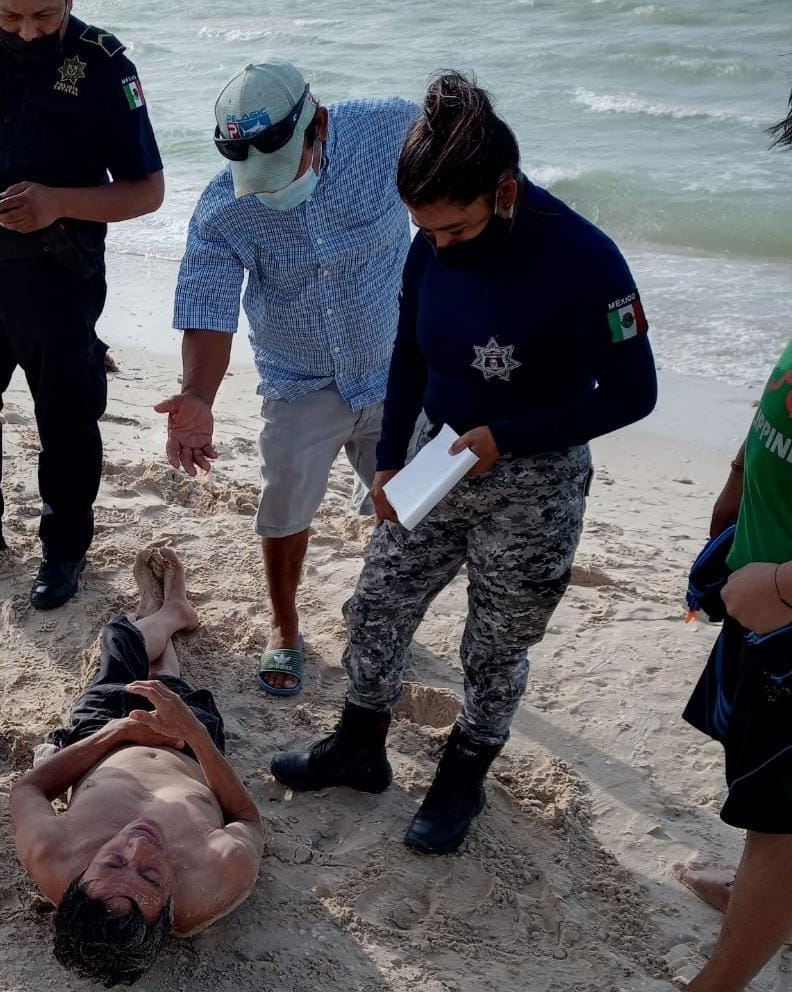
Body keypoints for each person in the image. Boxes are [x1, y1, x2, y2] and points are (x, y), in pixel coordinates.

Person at [270, 72, 658, 855]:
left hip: (533, 480)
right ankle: (359, 746)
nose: (438, 244)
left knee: (495, 643)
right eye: (427, 230)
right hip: (433, 458)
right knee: (375, 606)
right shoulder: (429, 245)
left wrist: (505, 439)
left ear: (504, 192)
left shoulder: (586, 259)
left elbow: (633, 393)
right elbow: (410, 354)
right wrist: (386, 461)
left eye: (455, 229)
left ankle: (464, 775)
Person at [158, 59, 418, 696]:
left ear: (318, 125)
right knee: (284, 504)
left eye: (285, 169)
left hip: (398, 366)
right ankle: (284, 624)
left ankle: (380, 610)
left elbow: (471, 160)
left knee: (409, 503)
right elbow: (208, 308)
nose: (271, 190)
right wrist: (197, 395)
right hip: (299, 382)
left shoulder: (391, 131)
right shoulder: (225, 208)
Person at [0, 0, 165, 612]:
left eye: (44, 15)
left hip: (57, 276)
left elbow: (148, 191)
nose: (29, 31)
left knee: (66, 419)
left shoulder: (102, 64)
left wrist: (57, 202)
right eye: (11, 17)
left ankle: (64, 550)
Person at [10, 548, 263, 985]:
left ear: (79, 881)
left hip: (100, 738)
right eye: (150, 875)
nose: (138, 846)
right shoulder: (213, 881)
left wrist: (120, 731)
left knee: (117, 642)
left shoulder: (54, 858)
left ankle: (164, 619)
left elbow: (26, 792)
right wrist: (194, 734)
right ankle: (171, 618)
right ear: (166, 909)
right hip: (188, 750)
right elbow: (247, 818)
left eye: (109, 864)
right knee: (169, 683)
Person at [672, 90, 792, 992]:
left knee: (783, 819)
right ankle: (760, 890)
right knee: (753, 767)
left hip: (785, 602)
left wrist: (783, 585)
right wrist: (740, 476)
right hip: (760, 578)